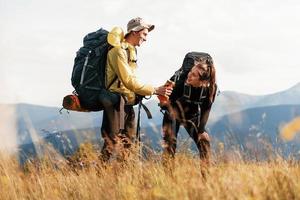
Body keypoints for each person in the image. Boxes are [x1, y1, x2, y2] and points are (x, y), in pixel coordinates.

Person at [100, 17, 172, 162]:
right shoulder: (118, 51)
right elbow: (129, 81)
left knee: (128, 144)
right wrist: (155, 90)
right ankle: (97, 178)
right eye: (144, 34)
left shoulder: (130, 52)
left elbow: (131, 82)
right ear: (134, 32)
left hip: (126, 104)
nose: (145, 39)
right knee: (111, 144)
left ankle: (123, 179)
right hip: (115, 103)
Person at [162, 61, 216, 167]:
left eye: (194, 75)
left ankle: (206, 179)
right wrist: (164, 102)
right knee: (170, 144)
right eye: (191, 72)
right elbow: (166, 102)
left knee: (204, 144)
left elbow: (206, 109)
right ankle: (167, 178)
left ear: (203, 82)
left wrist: (201, 130)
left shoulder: (210, 89)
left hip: (192, 115)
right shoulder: (180, 83)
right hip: (173, 113)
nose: (189, 75)